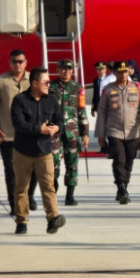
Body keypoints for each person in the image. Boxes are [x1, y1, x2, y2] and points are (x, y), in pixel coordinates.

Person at [10, 67, 66, 235]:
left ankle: (53, 219)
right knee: (22, 188)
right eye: (46, 82)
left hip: (44, 151)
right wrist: (38, 129)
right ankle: (21, 221)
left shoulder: (51, 100)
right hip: (23, 151)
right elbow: (18, 123)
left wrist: (56, 128)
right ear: (34, 83)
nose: (49, 85)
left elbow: (60, 121)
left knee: (48, 186)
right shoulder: (20, 100)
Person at [0, 49, 39, 216]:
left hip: (32, 134)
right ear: (10, 63)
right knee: (12, 172)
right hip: (8, 135)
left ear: (26, 62)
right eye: (14, 61)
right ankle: (15, 205)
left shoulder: (34, 80)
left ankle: (29, 196)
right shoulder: (1, 81)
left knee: (35, 169)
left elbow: (45, 102)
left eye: (21, 61)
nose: (18, 64)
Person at [95, 61, 140, 204]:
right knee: (119, 160)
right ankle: (121, 187)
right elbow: (101, 111)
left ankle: (123, 187)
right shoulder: (108, 89)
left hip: (133, 131)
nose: (123, 74)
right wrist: (100, 134)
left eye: (125, 71)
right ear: (115, 73)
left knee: (129, 161)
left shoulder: (137, 87)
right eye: (120, 72)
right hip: (114, 131)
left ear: (129, 72)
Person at [49, 59, 90, 206]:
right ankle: (53, 187)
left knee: (72, 163)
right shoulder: (50, 87)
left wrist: (85, 133)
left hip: (72, 132)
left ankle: (70, 195)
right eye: (63, 69)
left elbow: (82, 111)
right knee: (54, 162)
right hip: (56, 132)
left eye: (69, 69)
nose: (66, 72)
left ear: (72, 71)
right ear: (58, 70)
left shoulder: (77, 88)